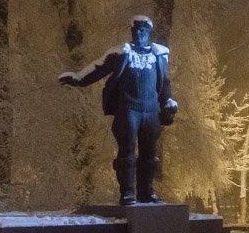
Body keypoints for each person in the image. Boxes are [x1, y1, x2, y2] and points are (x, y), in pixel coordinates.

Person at [59, 16, 178, 205]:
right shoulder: (123, 53)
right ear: (131, 31)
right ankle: (128, 192)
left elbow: (164, 83)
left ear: (149, 33)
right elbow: (98, 68)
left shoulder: (159, 55)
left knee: (149, 154)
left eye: (144, 30)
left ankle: (146, 192)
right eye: (137, 30)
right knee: (127, 152)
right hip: (128, 109)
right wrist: (77, 78)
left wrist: (167, 102)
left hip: (151, 112)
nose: (140, 33)